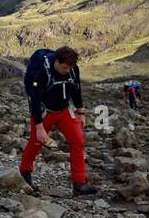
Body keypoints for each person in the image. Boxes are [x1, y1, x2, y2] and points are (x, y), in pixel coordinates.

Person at [19, 46, 98, 196]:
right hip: (44, 112)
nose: (68, 70)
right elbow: (34, 100)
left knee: (77, 141)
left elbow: (76, 89)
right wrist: (39, 128)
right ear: (56, 61)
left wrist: (81, 111)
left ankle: (79, 183)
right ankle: (25, 173)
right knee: (36, 142)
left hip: (65, 110)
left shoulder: (73, 70)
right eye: (64, 67)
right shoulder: (43, 72)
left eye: (70, 67)